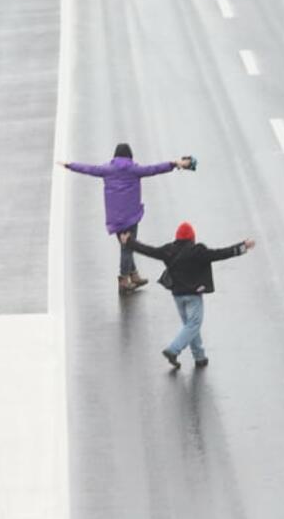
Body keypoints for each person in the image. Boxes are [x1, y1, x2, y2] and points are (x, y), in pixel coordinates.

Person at [60, 143, 191, 294]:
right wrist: (173, 164)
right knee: (127, 247)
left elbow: (88, 169)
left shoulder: (107, 170)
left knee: (127, 246)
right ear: (130, 156)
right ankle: (123, 279)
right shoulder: (134, 169)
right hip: (131, 217)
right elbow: (154, 169)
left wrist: (70, 165)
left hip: (115, 217)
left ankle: (134, 275)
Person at [121, 222, 255, 368]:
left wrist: (129, 242)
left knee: (190, 327)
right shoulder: (198, 251)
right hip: (193, 295)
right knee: (193, 324)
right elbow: (220, 254)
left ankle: (199, 357)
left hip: (177, 296)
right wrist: (243, 246)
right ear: (192, 238)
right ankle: (173, 350)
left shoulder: (168, 250)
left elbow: (148, 250)